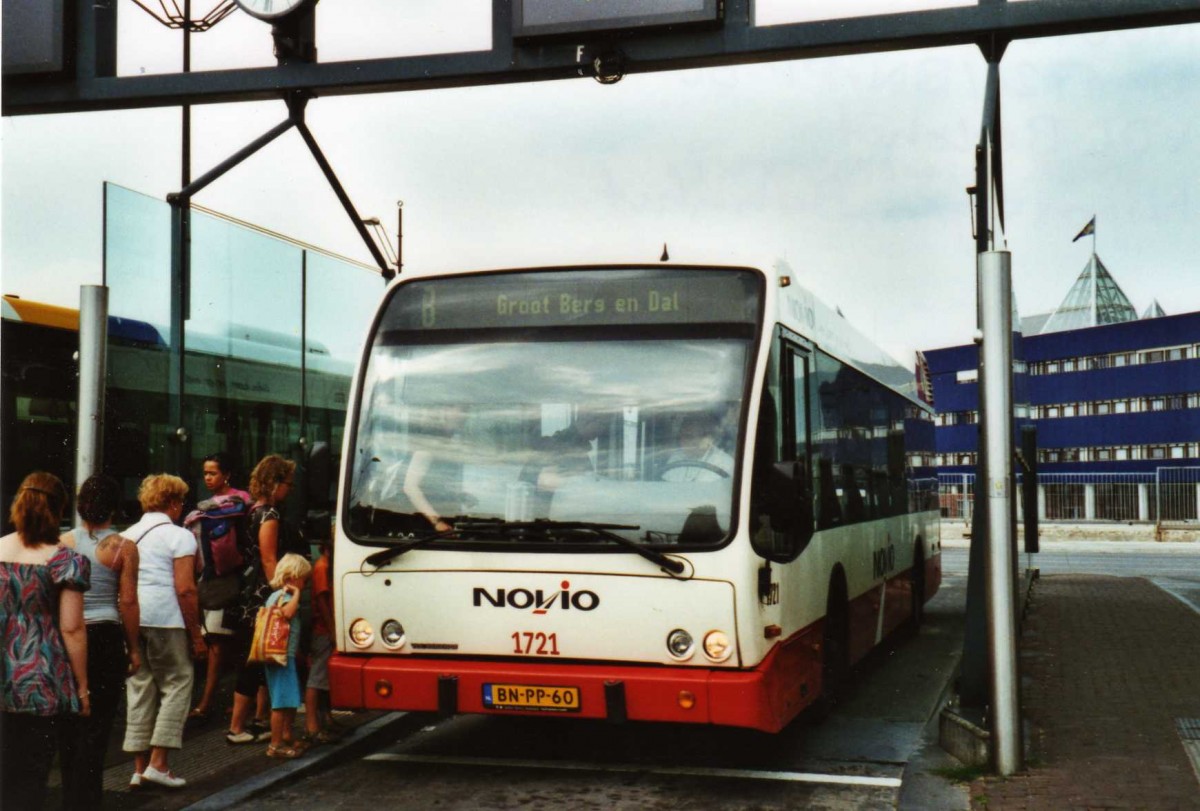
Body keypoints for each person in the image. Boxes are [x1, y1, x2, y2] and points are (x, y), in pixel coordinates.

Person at [0, 472, 91, 811]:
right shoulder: (65, 560)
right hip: (41, 679)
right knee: (31, 775)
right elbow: (72, 628)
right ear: (58, 510)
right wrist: (82, 687)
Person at [58, 474, 141, 809]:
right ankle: (89, 800)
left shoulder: (63, 543)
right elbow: (129, 602)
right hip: (106, 635)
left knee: (69, 724)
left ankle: (69, 799)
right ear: (115, 506)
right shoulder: (124, 548)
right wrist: (133, 647)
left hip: (70, 633)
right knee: (100, 723)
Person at [122, 473, 205, 789]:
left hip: (133, 618)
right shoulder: (179, 536)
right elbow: (185, 589)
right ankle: (159, 763)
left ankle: (139, 769)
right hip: (166, 619)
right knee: (178, 682)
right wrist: (196, 636)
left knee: (140, 686)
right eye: (181, 501)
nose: (182, 507)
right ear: (172, 502)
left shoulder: (128, 534)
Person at [227, 454, 304, 745]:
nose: (290, 490)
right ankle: (236, 727)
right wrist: (279, 592)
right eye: (288, 484)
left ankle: (252, 722)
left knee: (255, 660)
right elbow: (269, 558)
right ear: (274, 483)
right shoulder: (269, 515)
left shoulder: (252, 510)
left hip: (249, 593)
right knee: (254, 662)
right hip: (262, 597)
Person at [189, 453, 251, 722]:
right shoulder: (206, 507)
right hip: (213, 582)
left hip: (230, 582)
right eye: (205, 473)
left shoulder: (241, 500)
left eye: (212, 473)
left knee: (220, 643)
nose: (207, 478)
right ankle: (233, 702)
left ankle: (208, 701)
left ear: (226, 475)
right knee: (225, 642)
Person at [261, 552, 313, 758]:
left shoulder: (276, 596)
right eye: (303, 579)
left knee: (289, 697)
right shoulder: (285, 597)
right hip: (279, 657)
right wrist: (297, 595)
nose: (305, 584)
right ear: (292, 577)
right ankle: (275, 744)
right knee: (281, 702)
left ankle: (287, 735)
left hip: (285, 655)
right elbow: (287, 614)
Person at [402, 406, 466, 533]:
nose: (465, 415)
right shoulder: (430, 444)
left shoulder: (447, 441)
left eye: (467, 409)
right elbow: (410, 487)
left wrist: (459, 496)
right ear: (444, 411)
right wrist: (437, 522)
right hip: (426, 527)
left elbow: (435, 484)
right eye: (461, 408)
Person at [301, 535, 340, 745]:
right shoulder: (323, 567)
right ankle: (312, 726)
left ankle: (326, 718)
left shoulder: (327, 566)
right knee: (316, 677)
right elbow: (323, 601)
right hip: (322, 629)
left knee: (325, 677)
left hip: (326, 628)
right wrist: (333, 629)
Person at [661, 412, 735, 481]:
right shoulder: (676, 457)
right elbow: (667, 485)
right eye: (685, 436)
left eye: (689, 437)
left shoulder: (725, 463)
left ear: (708, 438)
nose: (683, 441)